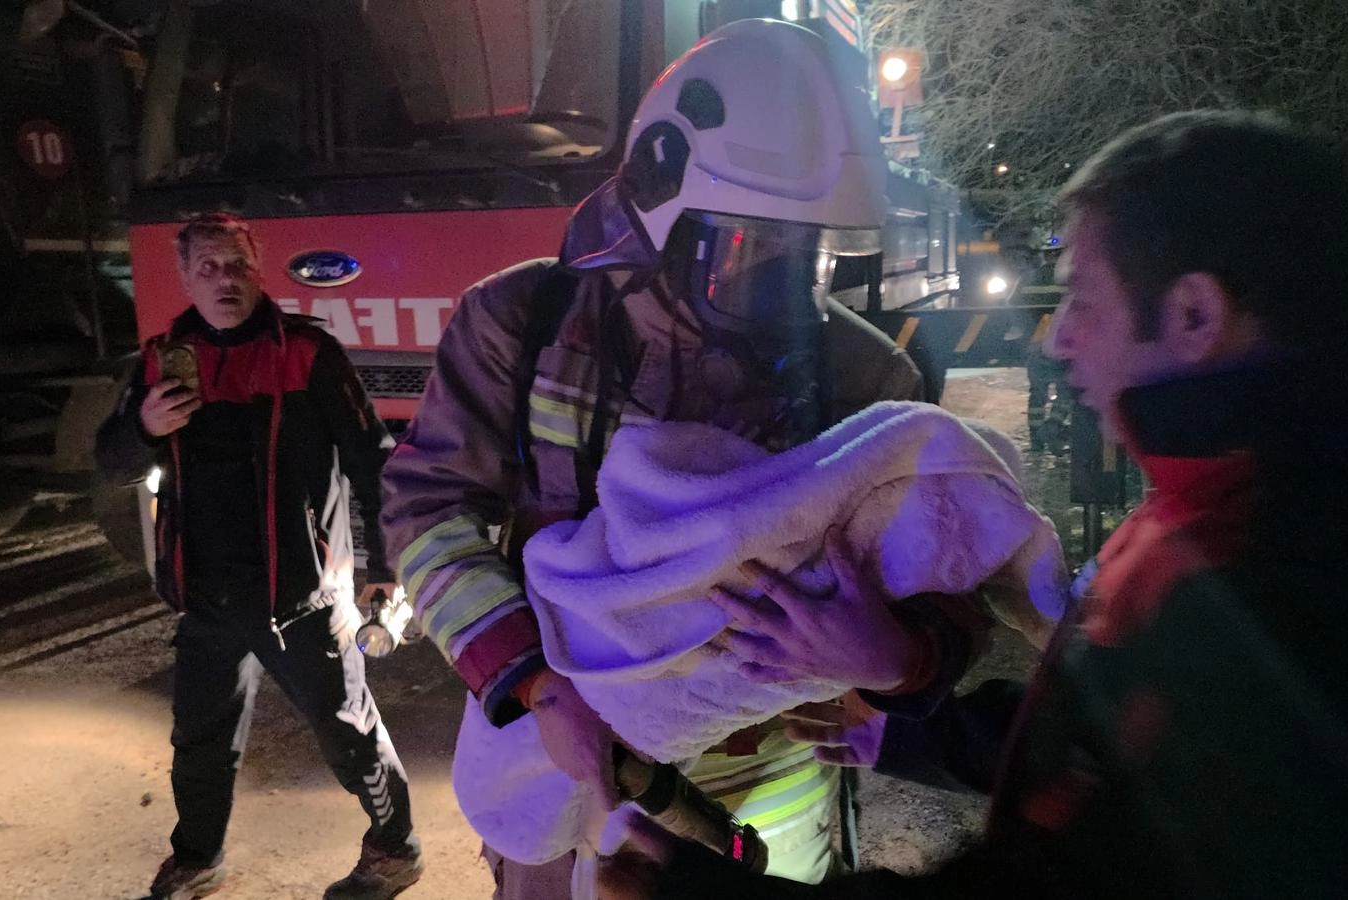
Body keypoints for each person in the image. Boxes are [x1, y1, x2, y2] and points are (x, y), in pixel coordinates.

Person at [605, 110, 1348, 898]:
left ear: (1194, 313)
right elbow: (1112, 754)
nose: (1056, 336)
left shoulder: (1287, 580)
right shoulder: (1266, 488)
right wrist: (911, 727)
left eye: (1082, 299)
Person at [380, 19, 999, 899]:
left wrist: (904, 658)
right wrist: (538, 686)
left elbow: (947, 580)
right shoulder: (521, 324)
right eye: (748, 246)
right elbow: (425, 512)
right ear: (655, 206)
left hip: (777, 775)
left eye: (810, 252)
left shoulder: (867, 375)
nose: (780, 283)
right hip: (572, 757)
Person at [95, 212, 422, 900]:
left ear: (259, 268)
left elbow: (373, 461)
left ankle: (397, 849)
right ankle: (198, 859)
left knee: (349, 735)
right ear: (185, 277)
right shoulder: (160, 361)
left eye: (237, 265)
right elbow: (110, 460)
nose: (225, 281)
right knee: (199, 742)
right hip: (206, 596)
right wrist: (143, 427)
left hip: (302, 597)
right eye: (207, 268)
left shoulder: (308, 353)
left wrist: (384, 568)